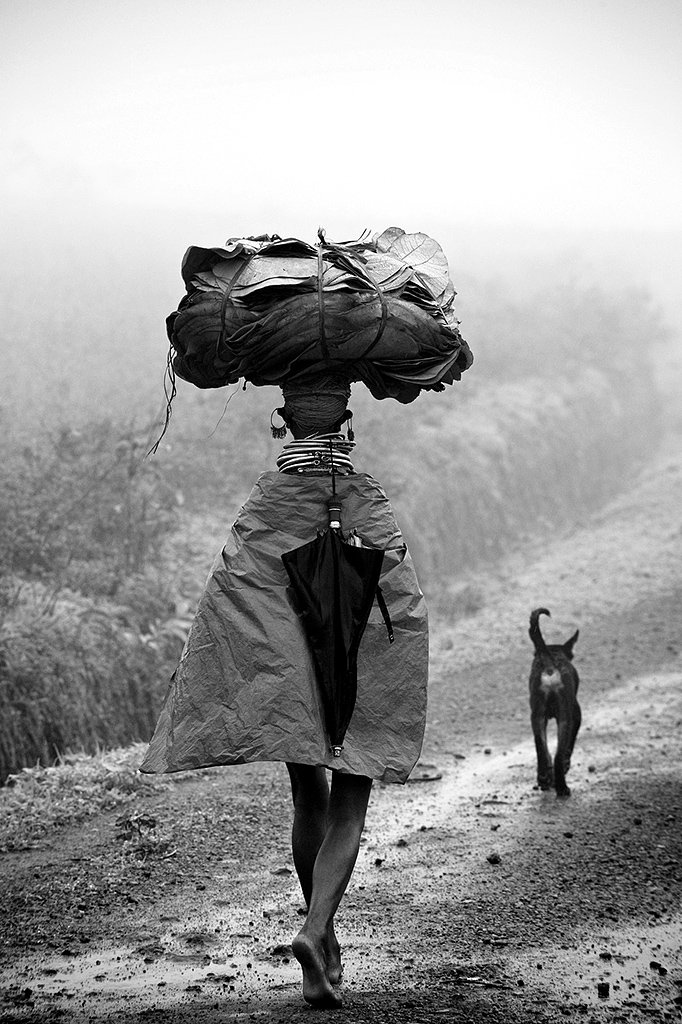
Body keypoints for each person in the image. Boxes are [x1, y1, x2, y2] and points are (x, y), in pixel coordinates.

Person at [140, 370, 429, 1009]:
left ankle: (322, 942)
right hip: (358, 661)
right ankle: (318, 929)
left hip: (287, 663)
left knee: (308, 789)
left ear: (285, 423)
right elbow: (401, 599)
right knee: (352, 790)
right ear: (346, 426)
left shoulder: (266, 509)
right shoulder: (365, 502)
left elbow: (233, 596)